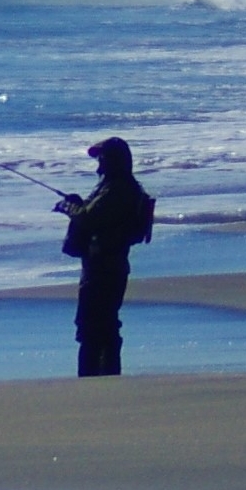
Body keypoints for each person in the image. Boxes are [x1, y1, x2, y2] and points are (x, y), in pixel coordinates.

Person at [54, 137, 156, 377]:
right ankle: (102, 378)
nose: (99, 167)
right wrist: (75, 204)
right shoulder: (115, 188)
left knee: (95, 328)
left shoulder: (118, 189)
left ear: (114, 162)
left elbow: (89, 218)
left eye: (102, 161)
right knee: (98, 326)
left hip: (104, 268)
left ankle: (97, 380)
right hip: (105, 266)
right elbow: (91, 213)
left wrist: (69, 207)